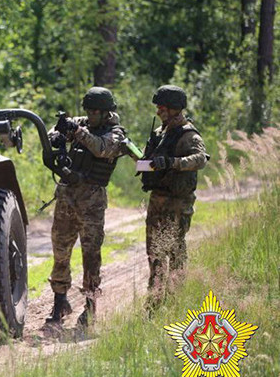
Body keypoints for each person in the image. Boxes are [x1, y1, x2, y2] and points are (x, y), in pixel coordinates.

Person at [46, 87, 127, 327]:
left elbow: (102, 148)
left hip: (91, 200)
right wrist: (59, 134)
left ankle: (90, 307)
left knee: (90, 255)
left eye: (95, 112)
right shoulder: (83, 123)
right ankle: (60, 302)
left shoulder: (116, 133)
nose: (90, 115)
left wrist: (77, 132)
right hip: (67, 197)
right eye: (88, 111)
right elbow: (56, 132)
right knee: (60, 249)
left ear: (106, 113)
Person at [141, 85, 209, 306]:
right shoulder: (161, 133)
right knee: (154, 251)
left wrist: (174, 163)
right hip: (157, 200)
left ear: (174, 109)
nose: (158, 111)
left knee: (175, 250)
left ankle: (176, 299)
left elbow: (201, 158)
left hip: (177, 202)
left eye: (161, 107)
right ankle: (155, 299)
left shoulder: (188, 134)